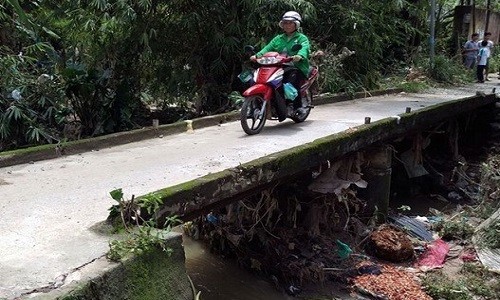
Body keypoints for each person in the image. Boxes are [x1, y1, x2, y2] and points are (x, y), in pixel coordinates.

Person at [250, 11, 311, 115]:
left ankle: (297, 106)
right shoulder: (278, 38)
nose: (287, 25)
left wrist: (299, 56)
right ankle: (255, 107)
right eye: (285, 23)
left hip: (295, 66)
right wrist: (256, 56)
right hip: (278, 66)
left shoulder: (301, 38)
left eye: (290, 23)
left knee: (291, 81)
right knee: (254, 80)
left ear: (296, 24)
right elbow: (267, 48)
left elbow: (304, 48)